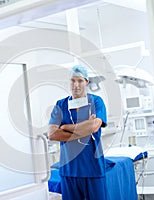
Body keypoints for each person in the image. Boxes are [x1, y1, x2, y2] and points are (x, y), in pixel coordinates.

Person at [48, 64, 107, 200]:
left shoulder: (96, 102)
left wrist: (66, 127)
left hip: (93, 169)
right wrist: (85, 128)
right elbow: (52, 134)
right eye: (72, 80)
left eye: (80, 80)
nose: (76, 85)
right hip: (69, 170)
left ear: (86, 81)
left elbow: (94, 127)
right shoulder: (60, 105)